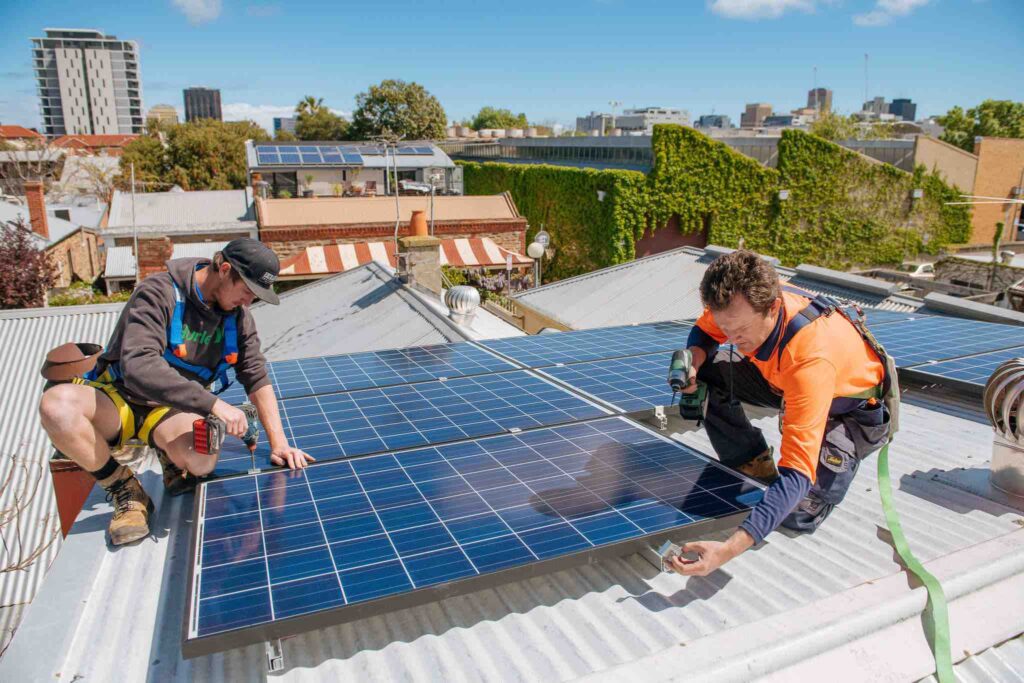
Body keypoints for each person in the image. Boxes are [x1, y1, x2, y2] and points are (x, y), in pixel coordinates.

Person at [38, 239, 313, 546]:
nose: (248, 301)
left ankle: (169, 454)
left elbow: (255, 374)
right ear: (224, 270)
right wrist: (214, 404)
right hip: (120, 400)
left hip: (169, 411)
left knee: (202, 462)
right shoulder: (158, 293)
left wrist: (280, 443)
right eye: (247, 291)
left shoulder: (237, 316)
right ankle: (125, 488)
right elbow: (139, 366)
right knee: (56, 406)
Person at [669, 250, 895, 577]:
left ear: (773, 308)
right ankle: (751, 460)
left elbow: (797, 475)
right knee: (707, 371)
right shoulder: (741, 303)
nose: (732, 340)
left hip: (845, 409)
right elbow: (706, 333)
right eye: (725, 328)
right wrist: (694, 360)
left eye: (740, 331)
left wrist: (727, 550)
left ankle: (835, 465)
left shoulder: (809, 359)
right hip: (782, 382)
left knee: (795, 515)